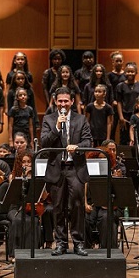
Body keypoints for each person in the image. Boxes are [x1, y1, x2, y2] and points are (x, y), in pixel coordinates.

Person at [41, 87, 92, 256]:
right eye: (60, 101)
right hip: (57, 168)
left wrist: (77, 148)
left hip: (75, 168)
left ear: (71, 102)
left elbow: (88, 141)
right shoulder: (49, 119)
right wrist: (56, 127)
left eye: (66, 101)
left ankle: (78, 242)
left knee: (77, 205)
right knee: (57, 207)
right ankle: (61, 242)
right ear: (55, 102)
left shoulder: (81, 119)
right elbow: (44, 143)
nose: (63, 104)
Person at [115, 62, 139, 145]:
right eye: (128, 71)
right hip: (125, 115)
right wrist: (121, 117)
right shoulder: (120, 86)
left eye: (132, 71)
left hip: (137, 115)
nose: (130, 73)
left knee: (137, 137)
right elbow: (119, 102)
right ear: (125, 72)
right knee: (124, 138)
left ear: (136, 72)